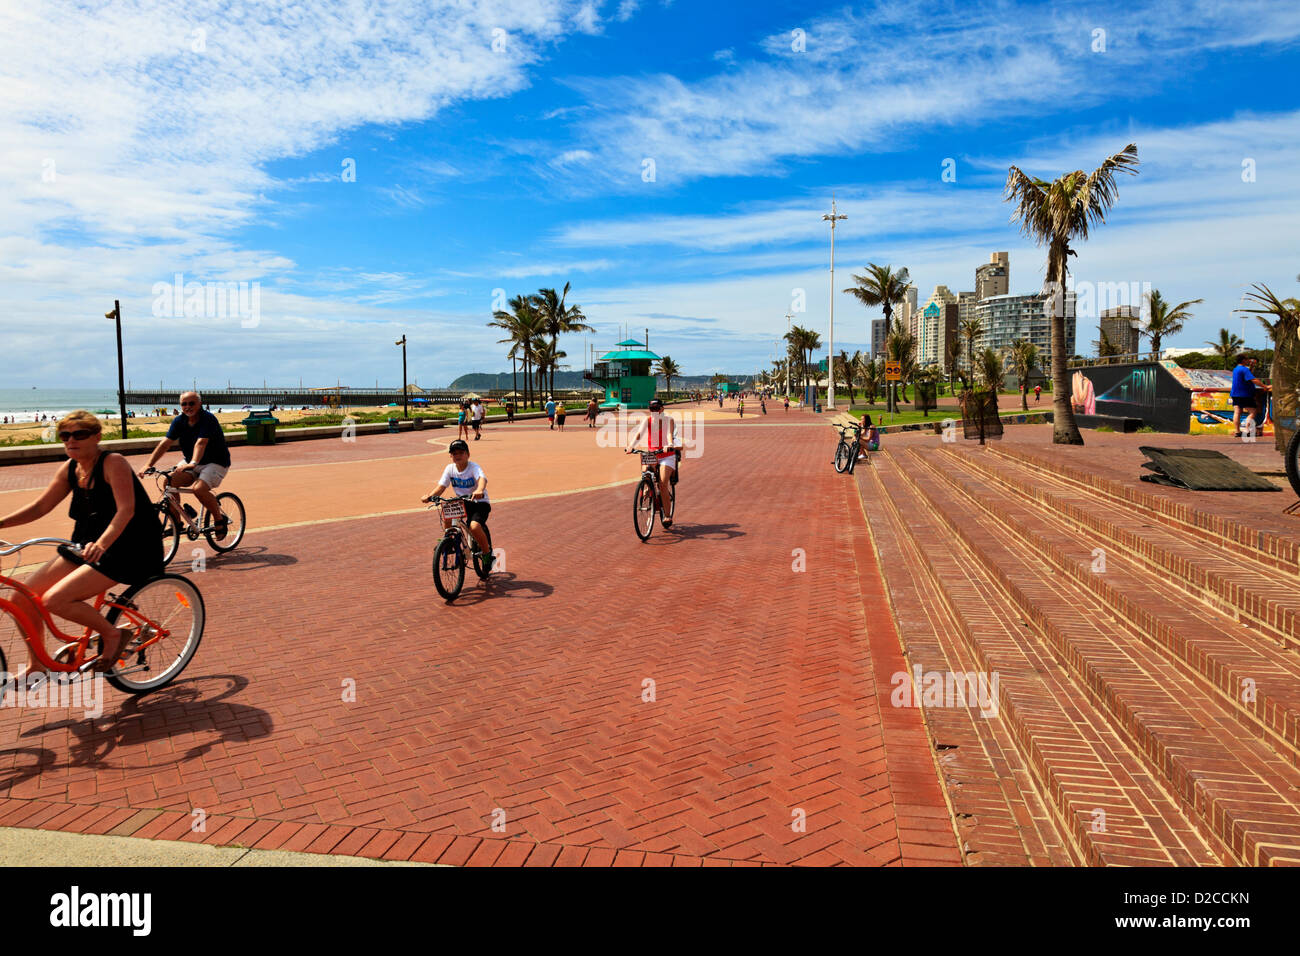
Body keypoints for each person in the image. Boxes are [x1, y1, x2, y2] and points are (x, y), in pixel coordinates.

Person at [0, 411, 163, 675]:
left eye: (79, 434)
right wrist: (1, 523)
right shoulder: (70, 468)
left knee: (55, 600)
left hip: (128, 548)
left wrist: (102, 543)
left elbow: (126, 510)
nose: (70, 441)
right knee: (20, 597)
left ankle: (111, 635)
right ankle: (37, 664)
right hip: (86, 546)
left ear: (96, 436)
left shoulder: (113, 463)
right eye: (65, 435)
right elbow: (41, 506)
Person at [139, 391, 230, 539]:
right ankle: (177, 523)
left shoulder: (208, 419)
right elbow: (165, 444)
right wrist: (147, 465)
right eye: (184, 404)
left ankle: (219, 519)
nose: (188, 407)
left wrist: (193, 463)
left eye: (191, 403)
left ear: (200, 404)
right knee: (168, 482)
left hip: (215, 462)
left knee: (199, 490)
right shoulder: (179, 421)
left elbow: (201, 443)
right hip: (190, 462)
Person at [421, 439, 492, 571]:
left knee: (474, 527)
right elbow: (441, 486)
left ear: (468, 454)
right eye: (454, 454)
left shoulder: (473, 467)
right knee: (447, 511)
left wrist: (479, 490)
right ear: (450, 456)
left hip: (479, 502)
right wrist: (430, 496)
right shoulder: (450, 469)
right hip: (462, 501)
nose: (457, 456)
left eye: (461, 452)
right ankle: (449, 542)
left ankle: (487, 554)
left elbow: (482, 479)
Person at [626, 399, 679, 528]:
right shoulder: (647, 421)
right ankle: (646, 487)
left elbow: (669, 434)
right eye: (652, 409)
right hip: (653, 454)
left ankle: (667, 515)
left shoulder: (669, 420)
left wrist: (670, 444)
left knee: (662, 483)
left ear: (662, 409)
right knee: (645, 472)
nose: (654, 411)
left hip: (667, 455)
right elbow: (639, 434)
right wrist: (631, 445)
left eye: (656, 408)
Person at [1231, 354, 1269, 437]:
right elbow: (1253, 379)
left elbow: (1246, 376)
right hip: (1245, 394)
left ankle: (1237, 431)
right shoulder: (1244, 369)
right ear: (1243, 360)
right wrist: (1265, 386)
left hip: (1235, 393)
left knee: (1237, 412)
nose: (1248, 360)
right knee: (1253, 411)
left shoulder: (1236, 369)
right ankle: (1246, 430)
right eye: (1247, 359)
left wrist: (1251, 367)